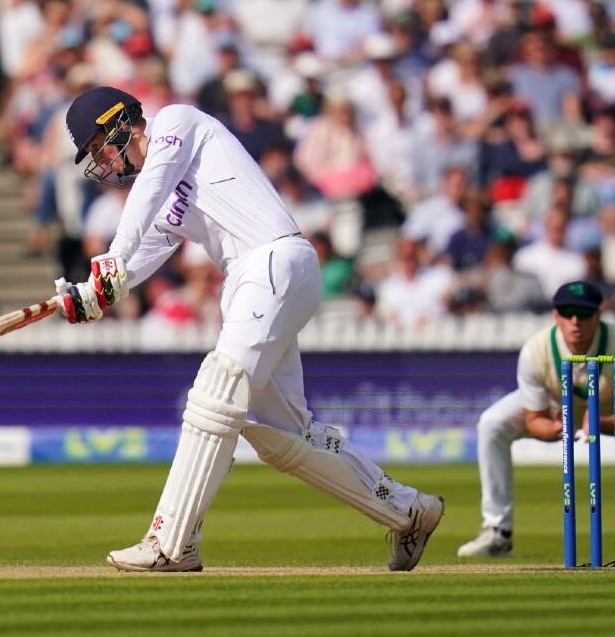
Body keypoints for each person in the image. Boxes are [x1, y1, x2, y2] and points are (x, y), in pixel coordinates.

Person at [56, 87, 444, 572]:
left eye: (98, 147)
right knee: (282, 436)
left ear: (120, 123)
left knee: (216, 391)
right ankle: (408, 511)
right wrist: (95, 294)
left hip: (274, 261)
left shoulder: (177, 123)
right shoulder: (166, 194)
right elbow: (141, 255)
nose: (102, 162)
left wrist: (111, 257)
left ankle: (171, 544)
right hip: (251, 279)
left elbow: (147, 194)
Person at [456, 281, 615, 559]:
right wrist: (557, 428)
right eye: (567, 313)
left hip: (613, 407)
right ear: (556, 315)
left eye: (583, 313)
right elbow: (535, 418)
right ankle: (498, 532)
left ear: (598, 314)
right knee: (491, 423)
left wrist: (600, 422)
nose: (575, 321)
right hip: (557, 405)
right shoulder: (536, 350)